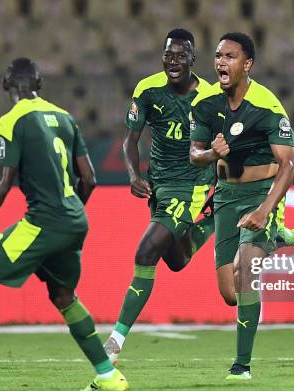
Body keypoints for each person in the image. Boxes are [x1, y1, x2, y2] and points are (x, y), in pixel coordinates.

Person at [0, 58, 128, 391]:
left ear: (5, 84)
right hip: (74, 221)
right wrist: (70, 212)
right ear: (39, 83)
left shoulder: (11, 121)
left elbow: (0, 185)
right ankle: (108, 375)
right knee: (64, 295)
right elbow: (89, 178)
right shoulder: (65, 117)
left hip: (44, 221)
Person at [103, 29, 217, 363]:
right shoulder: (147, 89)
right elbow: (130, 140)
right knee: (177, 260)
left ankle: (114, 341)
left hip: (192, 185)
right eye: (169, 55)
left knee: (146, 251)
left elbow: (222, 143)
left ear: (193, 59)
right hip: (158, 184)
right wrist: (133, 175)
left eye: (181, 55)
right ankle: (209, 224)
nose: (174, 61)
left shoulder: (210, 97)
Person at [189, 32, 294, 380]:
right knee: (229, 294)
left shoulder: (267, 106)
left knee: (246, 269)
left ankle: (242, 365)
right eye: (219, 56)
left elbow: (290, 165)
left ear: (247, 64)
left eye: (230, 56)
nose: (221, 62)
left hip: (260, 193)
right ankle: (277, 238)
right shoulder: (205, 103)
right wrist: (211, 154)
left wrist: (265, 209)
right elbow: (194, 155)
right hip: (224, 196)